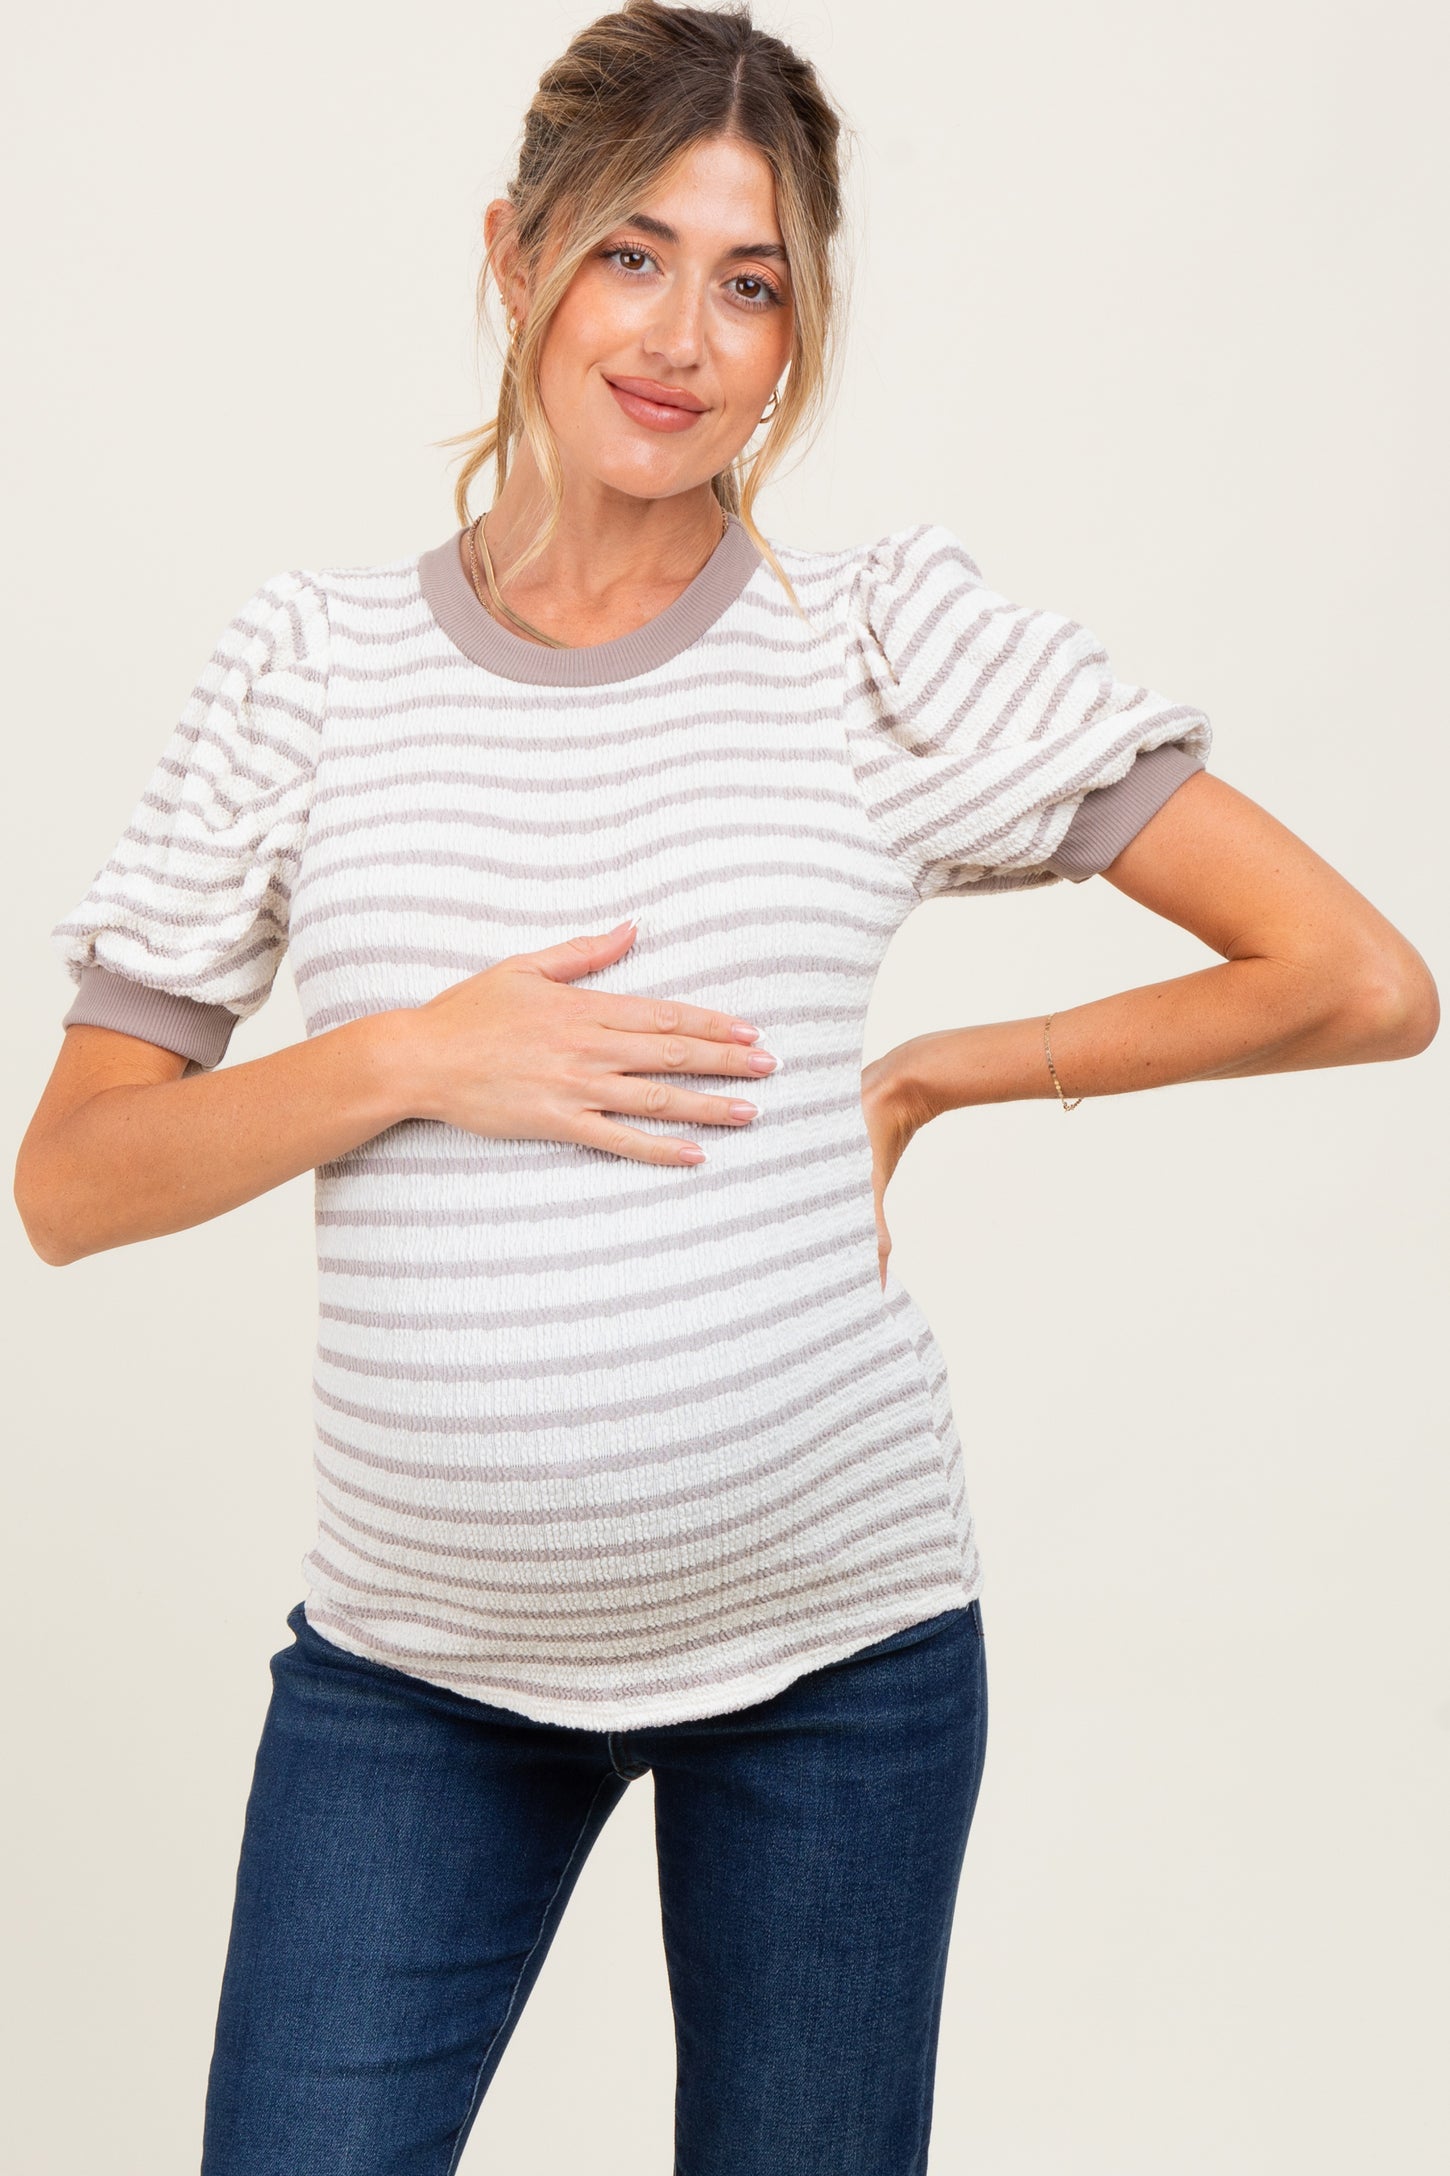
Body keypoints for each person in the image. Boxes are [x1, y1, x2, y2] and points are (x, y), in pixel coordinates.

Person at [13, 2, 1438, 2170]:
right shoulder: (310, 666)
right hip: (413, 1672)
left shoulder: (871, 649)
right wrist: (411, 1048)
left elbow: (1350, 977)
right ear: (511, 254)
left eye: (751, 280)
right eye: (628, 254)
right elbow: (75, 1182)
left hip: (837, 1667)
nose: (683, 333)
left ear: (798, 331)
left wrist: (955, 1068)